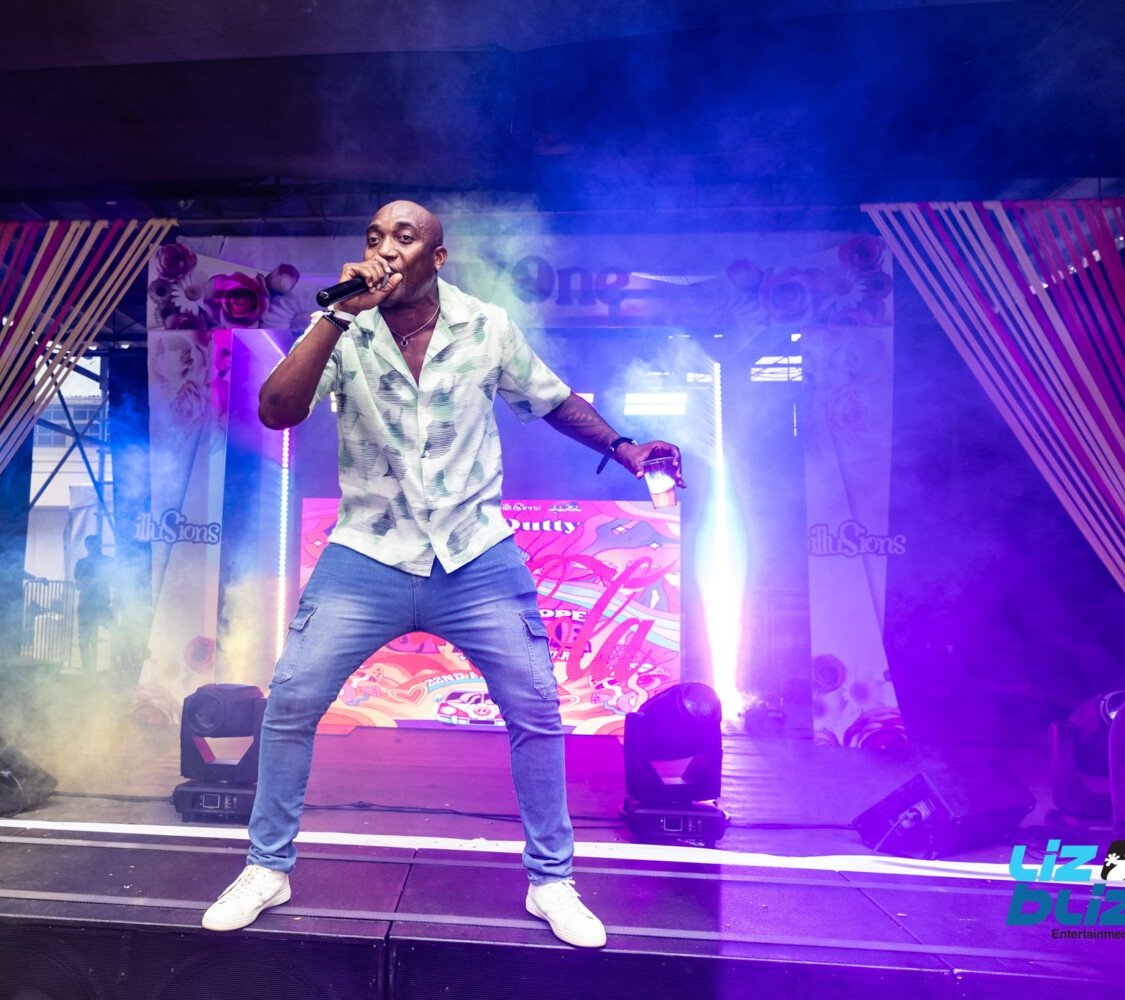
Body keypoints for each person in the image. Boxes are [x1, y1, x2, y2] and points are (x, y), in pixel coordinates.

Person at [201, 201, 683, 948]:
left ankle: (551, 882)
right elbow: (276, 410)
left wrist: (623, 450)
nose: (385, 249)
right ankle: (267, 868)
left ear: (437, 257)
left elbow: (552, 399)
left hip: (475, 553)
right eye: (374, 237)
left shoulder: (486, 327)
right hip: (367, 553)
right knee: (291, 701)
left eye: (404, 237)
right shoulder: (344, 326)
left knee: (536, 710)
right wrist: (334, 316)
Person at [73, 533, 114, 671]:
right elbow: (78, 584)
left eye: (95, 544)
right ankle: (87, 668)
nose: (94, 547)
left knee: (117, 632)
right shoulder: (82, 563)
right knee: (84, 638)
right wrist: (94, 581)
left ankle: (116, 664)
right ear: (87, 547)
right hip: (87, 605)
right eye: (91, 545)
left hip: (102, 605)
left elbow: (114, 580)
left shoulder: (108, 561)